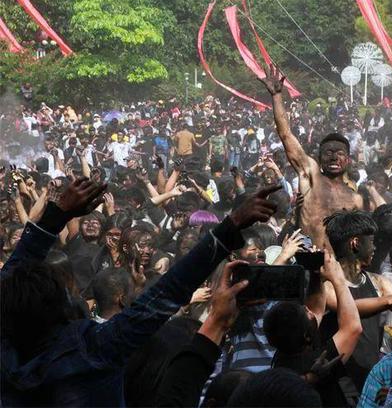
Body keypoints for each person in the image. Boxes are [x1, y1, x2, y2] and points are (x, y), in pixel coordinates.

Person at [0, 178, 280, 406]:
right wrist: (230, 226)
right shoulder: (93, 350)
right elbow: (164, 294)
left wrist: (57, 214)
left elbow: (10, 276)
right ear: (61, 306)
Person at [259, 65, 364, 246]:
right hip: (305, 262)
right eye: (328, 153)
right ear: (319, 157)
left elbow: (358, 241)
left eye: (339, 154)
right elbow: (285, 135)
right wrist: (276, 97)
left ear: (348, 160)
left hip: (337, 266)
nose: (333, 158)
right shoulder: (311, 175)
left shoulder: (355, 199)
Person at [264, 251, 362, 406]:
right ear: (307, 336)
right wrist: (338, 279)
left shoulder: (281, 361)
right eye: (306, 313)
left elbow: (315, 310)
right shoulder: (318, 360)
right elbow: (353, 327)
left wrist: (316, 275)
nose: (309, 310)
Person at [322, 210, 392, 390]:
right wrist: (389, 301)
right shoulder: (326, 285)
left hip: (371, 379)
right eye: (371, 241)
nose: (374, 248)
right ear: (355, 243)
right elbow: (349, 308)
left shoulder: (379, 282)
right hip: (337, 382)